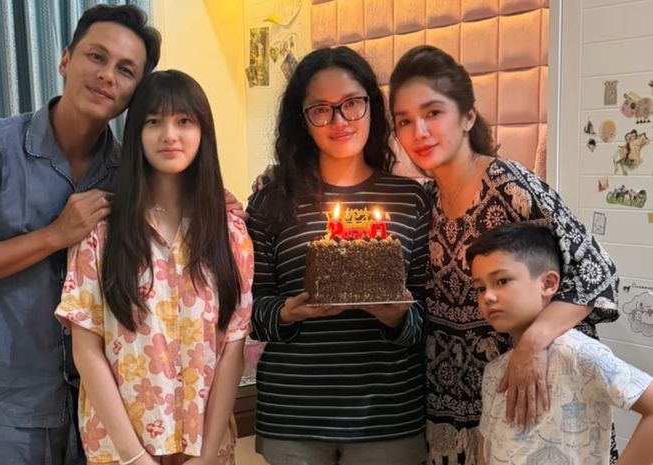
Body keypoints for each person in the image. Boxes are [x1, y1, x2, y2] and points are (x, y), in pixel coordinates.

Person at [388, 45, 619, 465]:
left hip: (527, 397)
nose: (418, 131)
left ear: (467, 117)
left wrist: (533, 342)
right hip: (448, 405)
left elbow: (595, 271)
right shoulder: (425, 202)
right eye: (404, 120)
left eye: (433, 112)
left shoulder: (508, 183)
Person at [0, 5, 161, 464]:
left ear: (135, 92)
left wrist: (219, 203)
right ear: (66, 59)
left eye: (125, 70)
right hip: (8, 401)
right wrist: (54, 235)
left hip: (101, 400)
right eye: (96, 57)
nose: (107, 75)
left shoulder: (127, 174)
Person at [55, 70, 254, 465]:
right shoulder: (101, 233)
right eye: (154, 121)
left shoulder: (229, 233)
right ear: (136, 134)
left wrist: (206, 456)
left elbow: (233, 347)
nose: (170, 135)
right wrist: (134, 458)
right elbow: (86, 350)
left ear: (203, 132)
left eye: (184, 121)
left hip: (205, 446)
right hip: (121, 450)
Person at [246, 46, 431, 465]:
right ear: (302, 120)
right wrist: (288, 313)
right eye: (321, 110)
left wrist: (397, 317)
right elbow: (248, 312)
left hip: (386, 415)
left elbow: (430, 315)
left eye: (351, 103)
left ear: (371, 106)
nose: (339, 120)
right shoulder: (270, 203)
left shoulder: (411, 201)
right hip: (294, 416)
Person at [467, 223, 653, 465]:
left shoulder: (578, 353)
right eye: (480, 288)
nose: (488, 296)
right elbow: (487, 446)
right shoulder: (495, 370)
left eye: (502, 281)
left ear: (548, 283)